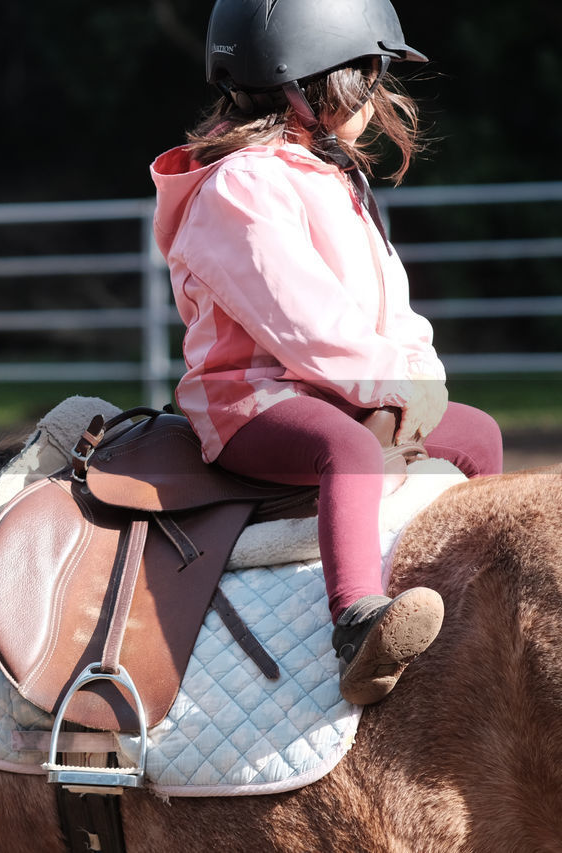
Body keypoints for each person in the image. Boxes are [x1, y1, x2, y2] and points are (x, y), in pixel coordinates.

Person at [150, 0, 503, 705]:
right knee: (348, 451)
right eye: (366, 77)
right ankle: (357, 619)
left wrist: (418, 381)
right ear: (304, 82)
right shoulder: (240, 186)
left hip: (344, 386)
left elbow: (390, 309)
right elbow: (300, 318)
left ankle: (477, 591)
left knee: (479, 433)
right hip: (255, 400)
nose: (376, 97)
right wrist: (383, 388)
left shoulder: (334, 179)